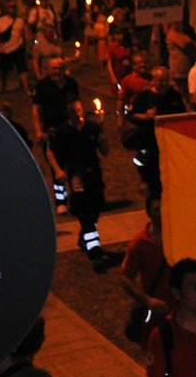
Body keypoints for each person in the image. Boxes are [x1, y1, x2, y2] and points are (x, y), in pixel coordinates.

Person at [40, 64, 118, 271]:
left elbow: (106, 151)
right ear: (68, 113)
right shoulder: (62, 132)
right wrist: (57, 170)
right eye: (74, 111)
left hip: (94, 174)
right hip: (77, 177)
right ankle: (95, 252)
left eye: (80, 109)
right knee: (85, 213)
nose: (78, 113)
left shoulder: (92, 128)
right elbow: (50, 151)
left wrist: (102, 132)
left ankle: (84, 237)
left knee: (96, 207)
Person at [119, 194, 173, 343]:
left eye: (164, 208)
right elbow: (125, 276)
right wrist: (147, 300)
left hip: (180, 310)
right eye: (157, 209)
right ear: (148, 213)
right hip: (156, 311)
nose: (162, 213)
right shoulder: (140, 243)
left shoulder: (180, 236)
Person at [128, 65, 188, 198]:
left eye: (166, 80)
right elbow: (131, 115)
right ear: (153, 80)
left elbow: (183, 115)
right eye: (160, 80)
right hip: (151, 143)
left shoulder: (174, 95)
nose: (164, 83)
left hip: (170, 144)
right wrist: (145, 116)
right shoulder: (145, 96)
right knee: (154, 180)